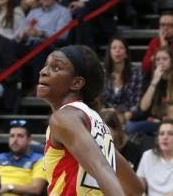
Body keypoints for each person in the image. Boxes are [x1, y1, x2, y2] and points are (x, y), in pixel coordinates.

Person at [37, 45, 143, 195]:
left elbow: (100, 167)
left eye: (56, 68)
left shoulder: (65, 117)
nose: (43, 72)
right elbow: (135, 188)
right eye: (46, 66)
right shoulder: (96, 123)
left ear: (76, 83)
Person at [0, 121, 46, 195]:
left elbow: (36, 189)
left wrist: (8, 187)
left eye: (20, 136)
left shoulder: (39, 159)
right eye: (12, 136)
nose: (15, 140)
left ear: (29, 140)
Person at [130, 47, 173, 135]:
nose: (161, 62)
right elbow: (143, 107)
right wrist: (154, 82)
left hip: (170, 121)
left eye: (165, 59)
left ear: (171, 61)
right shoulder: (149, 78)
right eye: (158, 59)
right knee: (132, 128)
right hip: (155, 121)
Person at [102, 37, 143, 120]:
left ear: (126, 53)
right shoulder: (102, 73)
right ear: (109, 53)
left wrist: (124, 116)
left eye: (121, 47)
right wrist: (106, 112)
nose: (118, 50)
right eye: (114, 48)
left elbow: (136, 102)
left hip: (128, 117)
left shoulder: (135, 73)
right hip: (105, 116)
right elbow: (99, 101)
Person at [136, 119, 173, 196]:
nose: (165, 137)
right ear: (157, 138)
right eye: (162, 134)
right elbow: (139, 185)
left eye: (170, 134)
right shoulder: (148, 156)